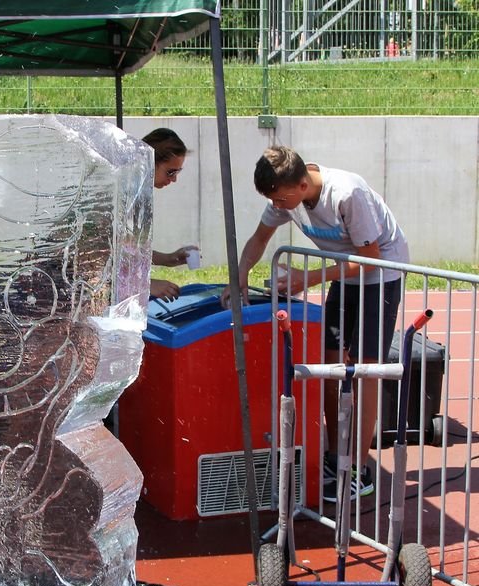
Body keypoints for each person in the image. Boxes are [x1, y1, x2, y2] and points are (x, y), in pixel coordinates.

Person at [223, 145, 409, 502]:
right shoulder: (284, 195)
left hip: (380, 274)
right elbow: (258, 240)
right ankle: (333, 454)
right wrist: (240, 275)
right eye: (273, 201)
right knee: (330, 363)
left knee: (365, 369)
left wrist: (305, 278)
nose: (278, 206)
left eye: (281, 199)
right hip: (344, 274)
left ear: (303, 184)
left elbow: (369, 259)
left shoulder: (347, 192)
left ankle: (358, 465)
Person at [142, 128, 199, 301]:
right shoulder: (121, 193)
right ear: (150, 162)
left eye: (177, 172)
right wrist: (148, 285)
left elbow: (129, 251)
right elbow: (104, 255)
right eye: (170, 172)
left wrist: (169, 259)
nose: (174, 179)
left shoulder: (139, 193)